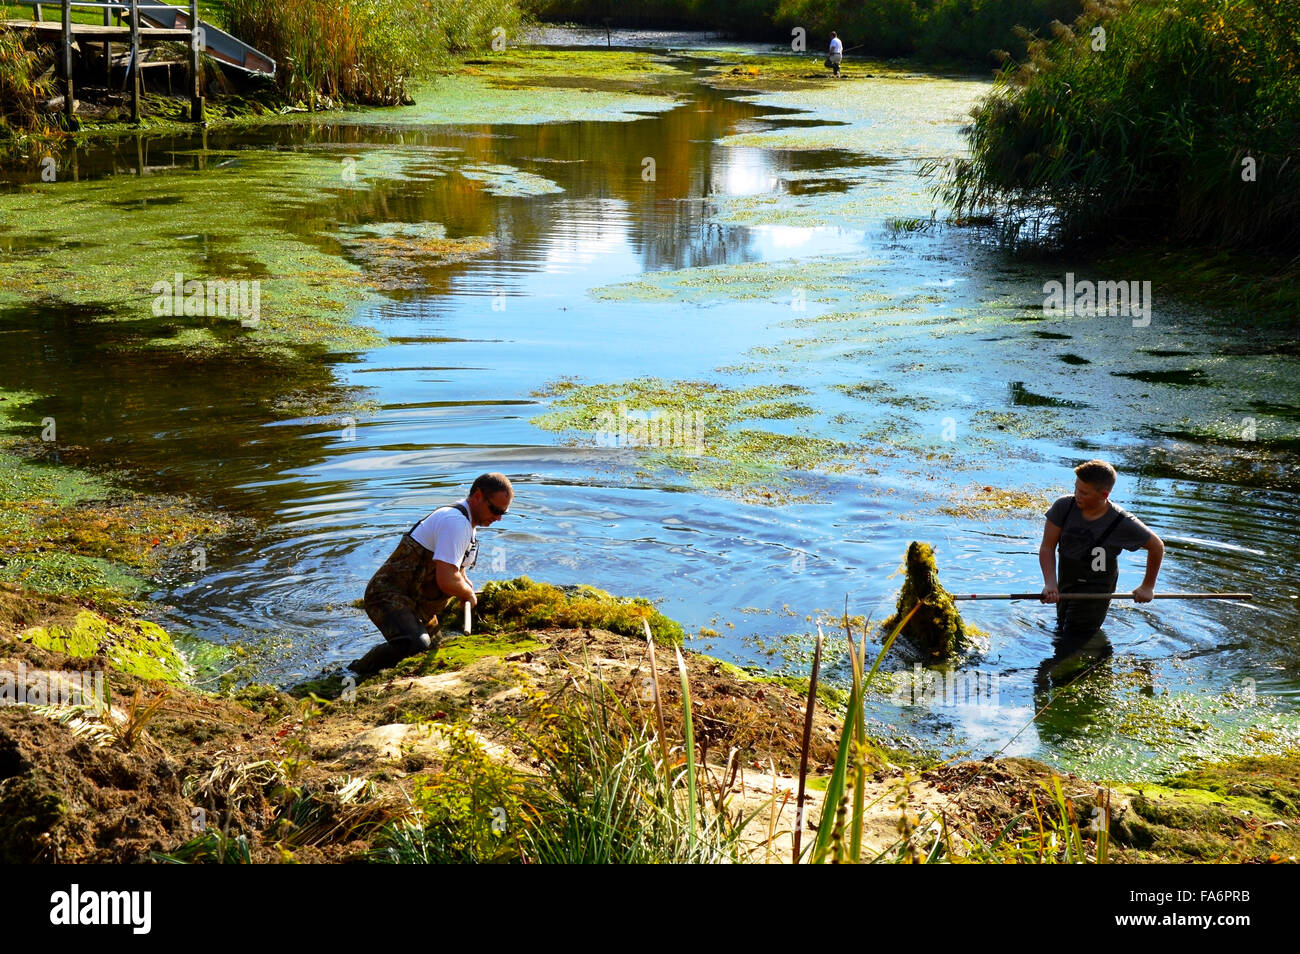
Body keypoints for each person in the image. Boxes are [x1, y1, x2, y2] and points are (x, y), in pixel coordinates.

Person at [349, 473, 513, 676]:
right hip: (387, 597)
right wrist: (467, 594)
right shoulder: (456, 522)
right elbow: (446, 580)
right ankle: (356, 672)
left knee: (437, 654)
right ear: (478, 496)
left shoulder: (468, 525)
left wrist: (466, 586)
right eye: (495, 510)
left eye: (503, 513)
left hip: (417, 605)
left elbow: (457, 569)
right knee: (415, 644)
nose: (498, 518)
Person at [1039, 459, 1163, 637]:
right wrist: (1050, 583)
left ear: (1104, 495)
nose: (1077, 495)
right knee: (1062, 626)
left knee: (1075, 635)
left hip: (1096, 588)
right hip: (1067, 579)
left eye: (1084, 492)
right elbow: (1047, 547)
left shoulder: (1122, 522)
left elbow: (1157, 546)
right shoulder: (1063, 507)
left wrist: (1147, 587)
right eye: (1076, 488)